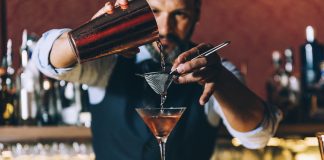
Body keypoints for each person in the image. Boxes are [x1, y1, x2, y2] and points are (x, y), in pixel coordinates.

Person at [32, 0, 282, 159]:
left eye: (180, 14)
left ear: (196, 14)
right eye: (154, 12)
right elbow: (45, 60)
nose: (165, 28)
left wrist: (221, 80)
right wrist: (93, 37)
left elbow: (258, 136)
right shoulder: (105, 63)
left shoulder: (217, 70)